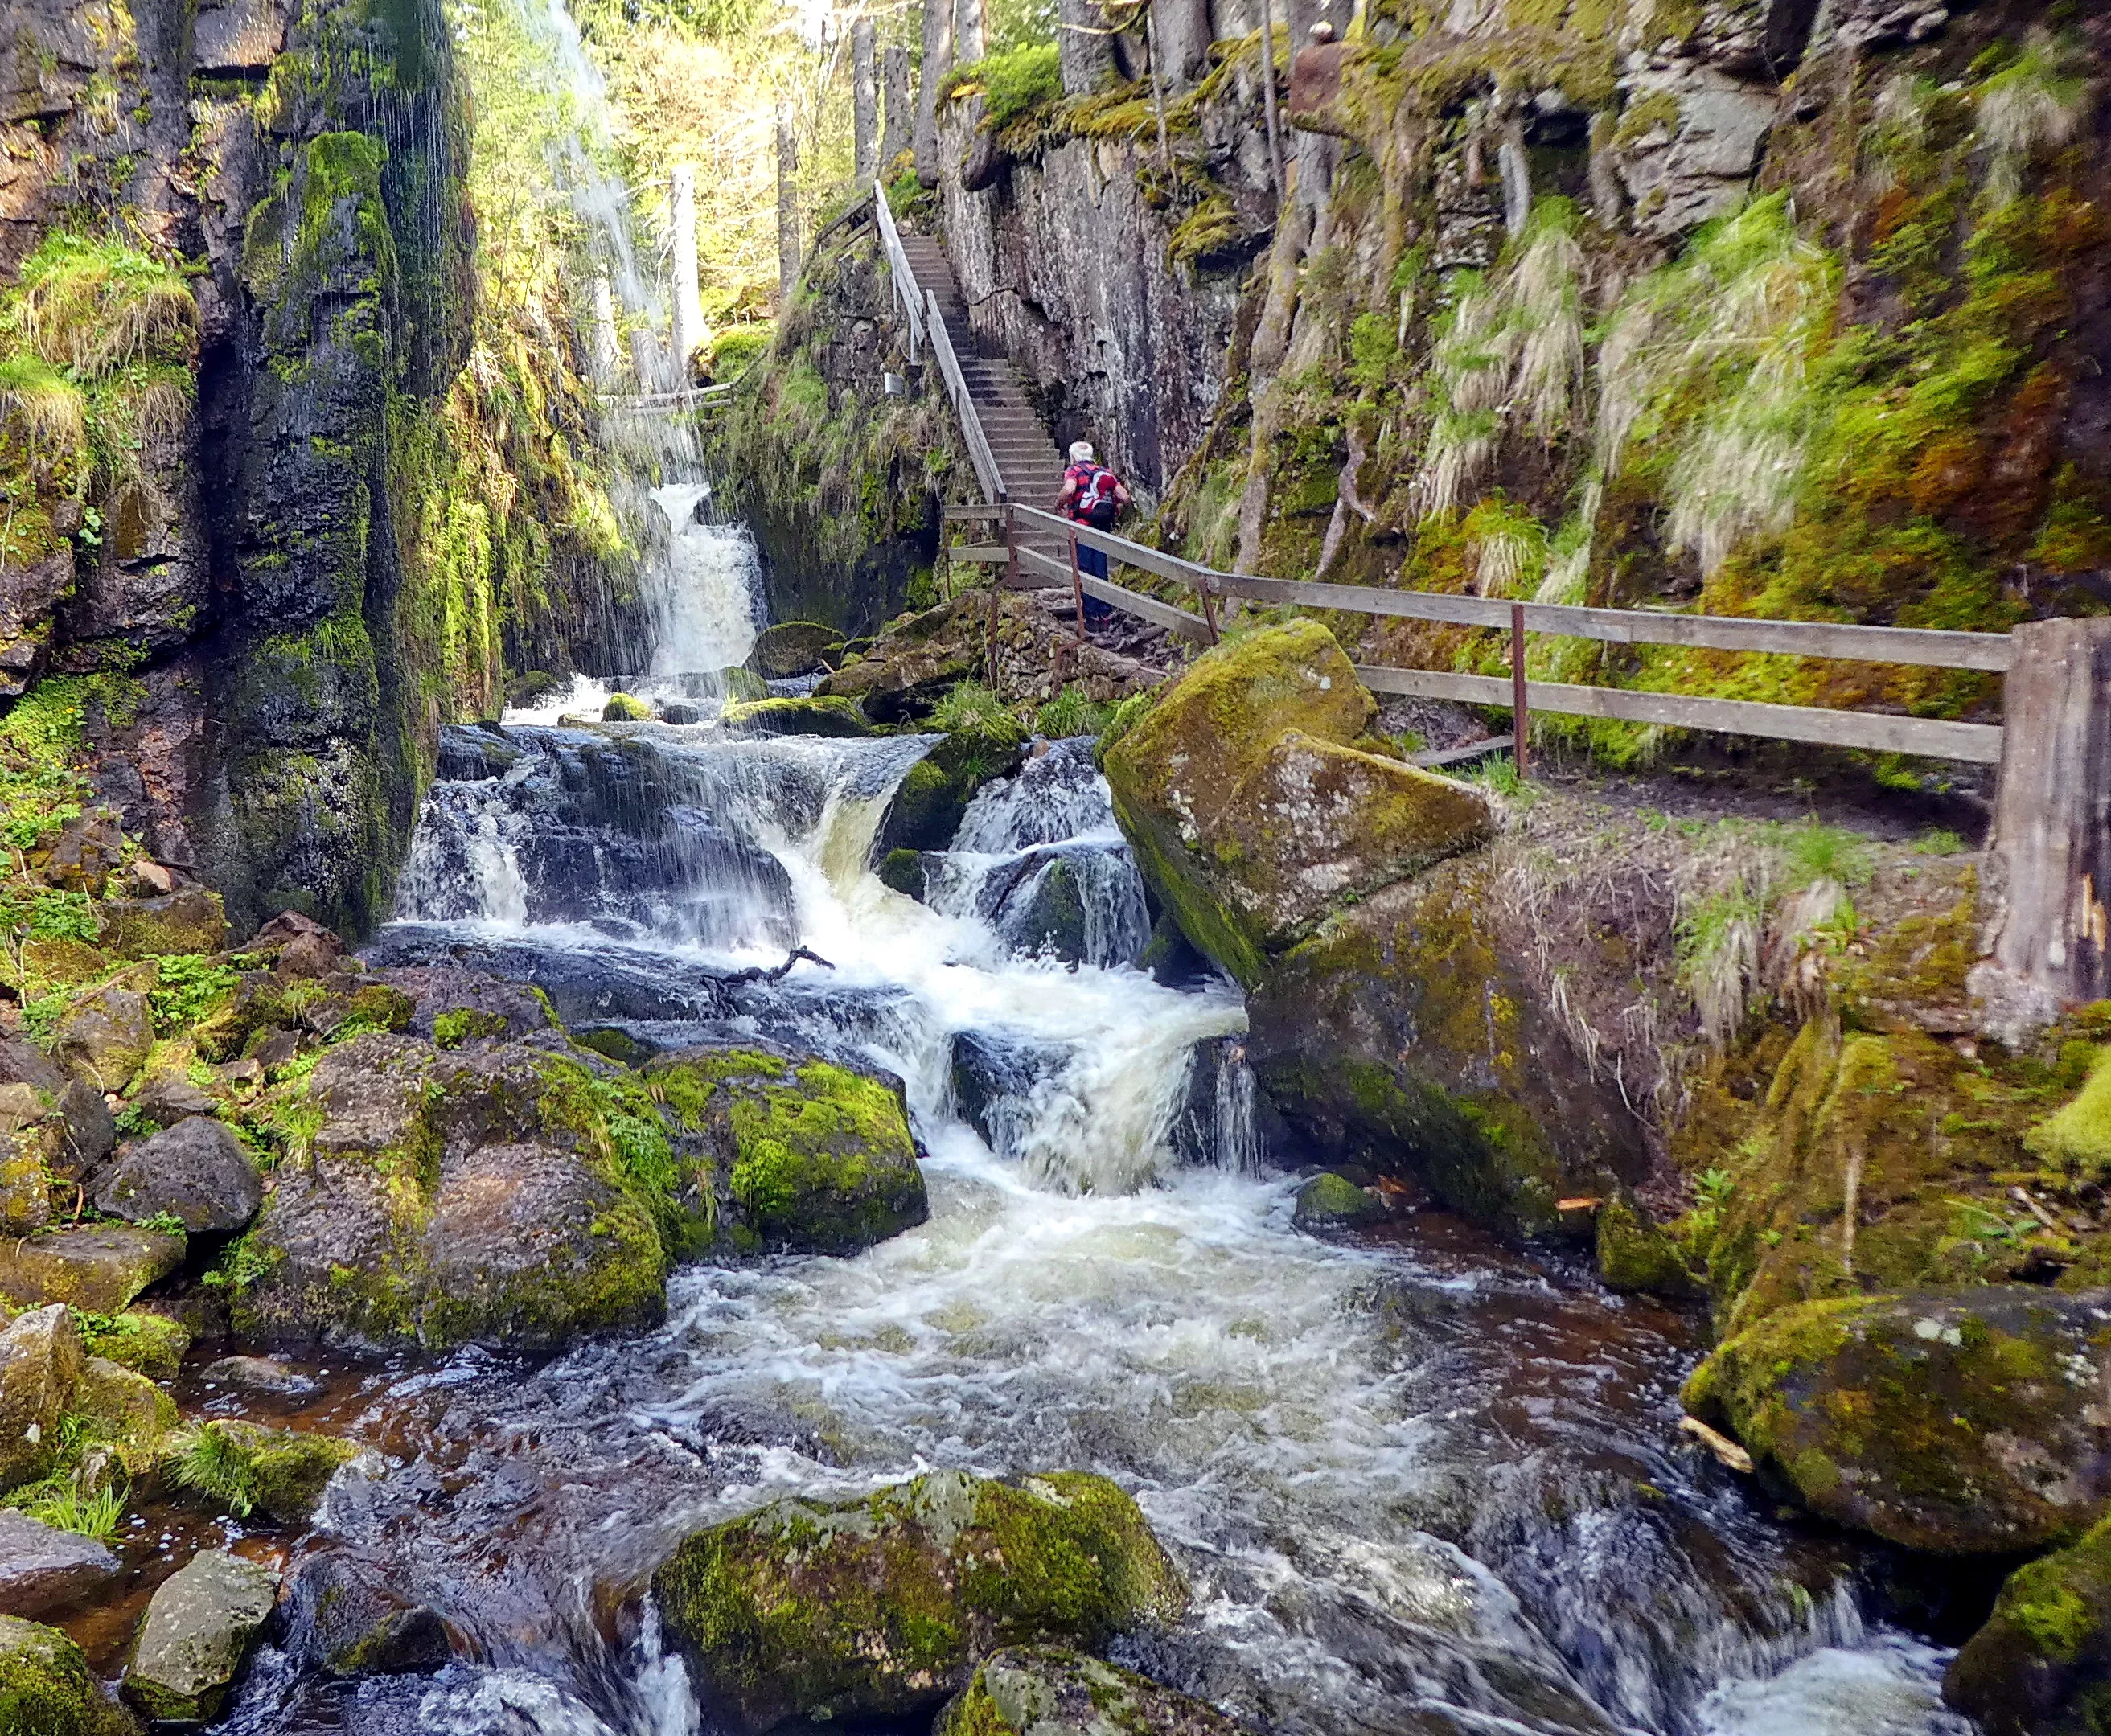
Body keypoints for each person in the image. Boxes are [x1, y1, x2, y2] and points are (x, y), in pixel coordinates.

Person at [1053, 441, 1131, 624]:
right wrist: (1118, 509)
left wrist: (1058, 505)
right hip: (1103, 526)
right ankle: (1105, 612)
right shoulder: (1105, 472)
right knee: (1101, 567)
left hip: (1082, 526)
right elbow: (1125, 496)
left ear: (1073, 457)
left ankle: (1090, 614)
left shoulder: (1073, 471)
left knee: (1086, 569)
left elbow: (1070, 489)